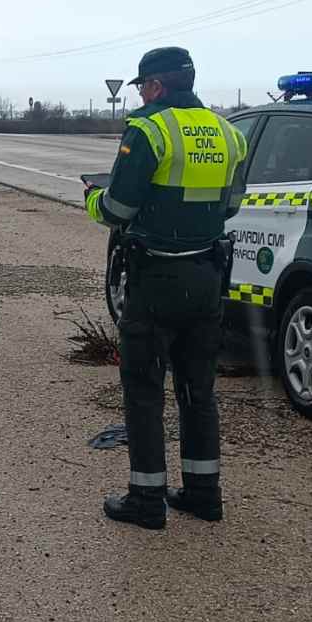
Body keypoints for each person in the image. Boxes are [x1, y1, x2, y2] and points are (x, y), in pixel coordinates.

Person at [84, 47, 248, 530]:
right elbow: (232, 205)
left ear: (155, 86)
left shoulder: (148, 129)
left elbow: (117, 209)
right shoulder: (229, 133)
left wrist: (91, 199)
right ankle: (203, 493)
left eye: (142, 87)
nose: (141, 94)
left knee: (143, 389)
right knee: (199, 389)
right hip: (208, 277)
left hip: (156, 276)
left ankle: (147, 500)